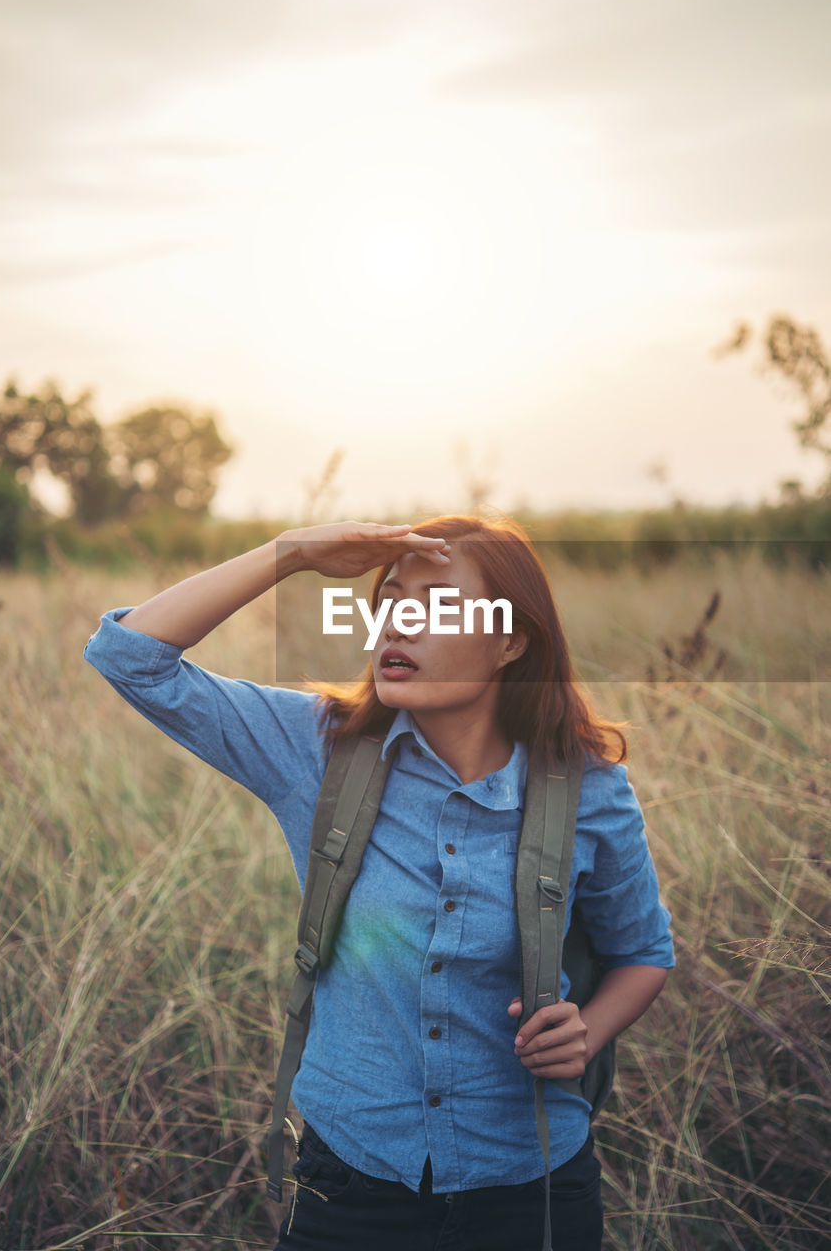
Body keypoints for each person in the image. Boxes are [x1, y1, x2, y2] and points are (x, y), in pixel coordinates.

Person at [83, 515, 675, 1251]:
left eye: (436, 604)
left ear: (510, 641)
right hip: (350, 1186)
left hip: (532, 1187)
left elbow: (644, 951)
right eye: (388, 599)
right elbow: (128, 656)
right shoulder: (316, 748)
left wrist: (586, 1034)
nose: (399, 620)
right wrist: (291, 554)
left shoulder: (589, 788)